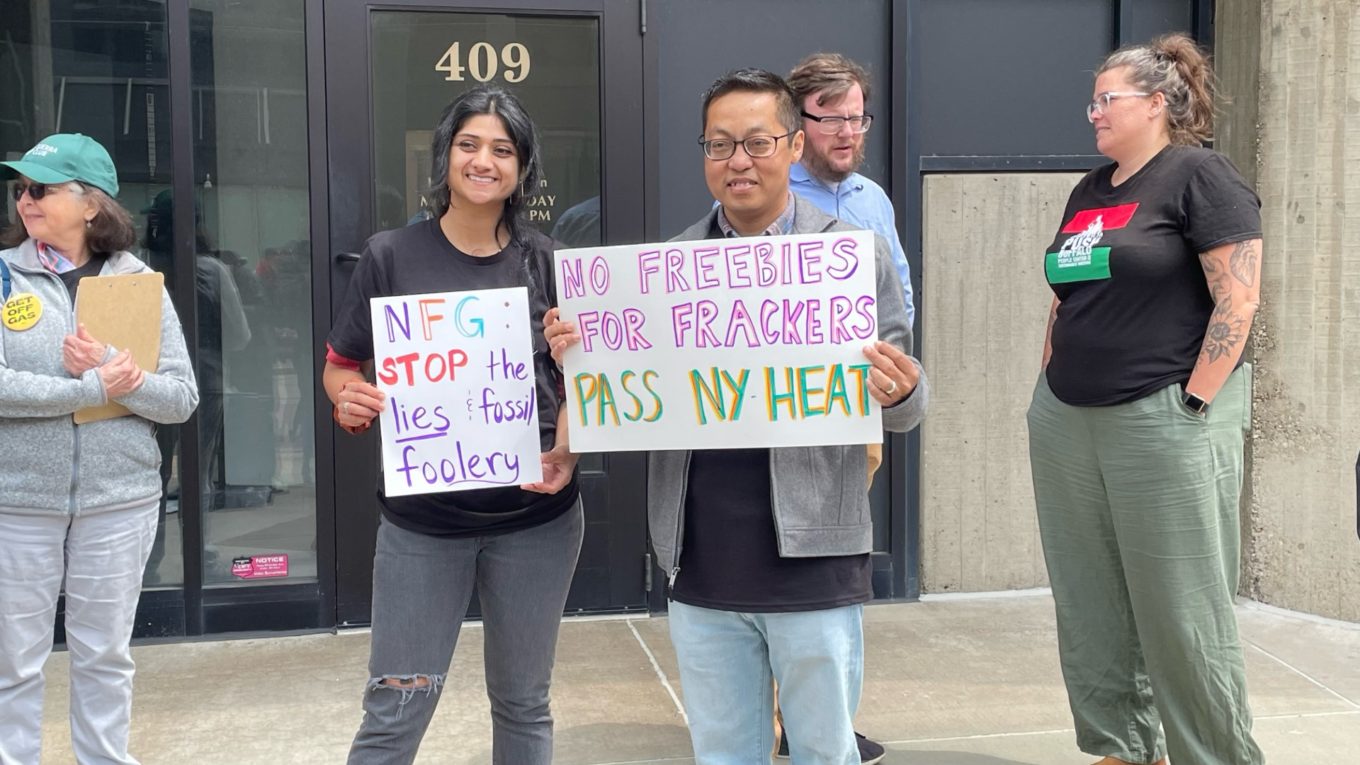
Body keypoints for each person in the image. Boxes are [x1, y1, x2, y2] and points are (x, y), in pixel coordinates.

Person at [546, 68, 929, 765]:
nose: (738, 160)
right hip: (702, 560)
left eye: (756, 141)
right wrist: (580, 355)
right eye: (719, 145)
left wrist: (902, 392)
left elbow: (905, 410)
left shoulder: (849, 257)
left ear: (791, 146)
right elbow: (622, 401)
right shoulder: (664, 269)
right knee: (724, 753)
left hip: (815, 556)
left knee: (824, 750)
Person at [324, 85, 581, 765]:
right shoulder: (389, 255)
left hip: (537, 519)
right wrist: (349, 397)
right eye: (469, 144)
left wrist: (571, 448)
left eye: (502, 148)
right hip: (421, 526)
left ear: (522, 167)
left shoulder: (551, 261)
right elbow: (340, 366)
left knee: (525, 704)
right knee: (394, 709)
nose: (483, 160)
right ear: (445, 156)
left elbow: (588, 386)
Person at [1027, 34, 1264, 765]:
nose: (1093, 111)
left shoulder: (1200, 174)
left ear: (1156, 103)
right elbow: (1067, 298)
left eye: (1108, 99)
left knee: (1182, 610)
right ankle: (1122, 747)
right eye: (1092, 100)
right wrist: (1044, 388)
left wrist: (1195, 405)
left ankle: (1213, 754)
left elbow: (1239, 295)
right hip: (1069, 420)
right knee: (1090, 601)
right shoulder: (1090, 189)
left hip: (1163, 417)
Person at [0, 133, 198, 764]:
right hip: (19, 499)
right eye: (20, 189)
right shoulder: (3, 278)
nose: (25, 200)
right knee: (13, 660)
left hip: (120, 500)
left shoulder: (140, 285)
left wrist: (122, 371)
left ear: (90, 205)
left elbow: (181, 397)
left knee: (104, 655)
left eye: (41, 189)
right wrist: (88, 386)